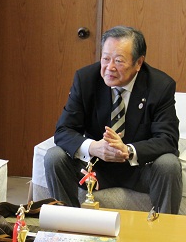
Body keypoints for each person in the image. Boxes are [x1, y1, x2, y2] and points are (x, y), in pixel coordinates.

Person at [44, 25, 182, 214]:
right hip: (95, 166)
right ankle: (68, 227)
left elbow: (168, 139)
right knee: (54, 157)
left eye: (118, 61)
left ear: (139, 63)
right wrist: (94, 147)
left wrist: (127, 150)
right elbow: (63, 131)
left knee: (169, 164)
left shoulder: (160, 86)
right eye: (105, 59)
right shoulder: (86, 79)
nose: (110, 68)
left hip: (139, 169)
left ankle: (164, 231)